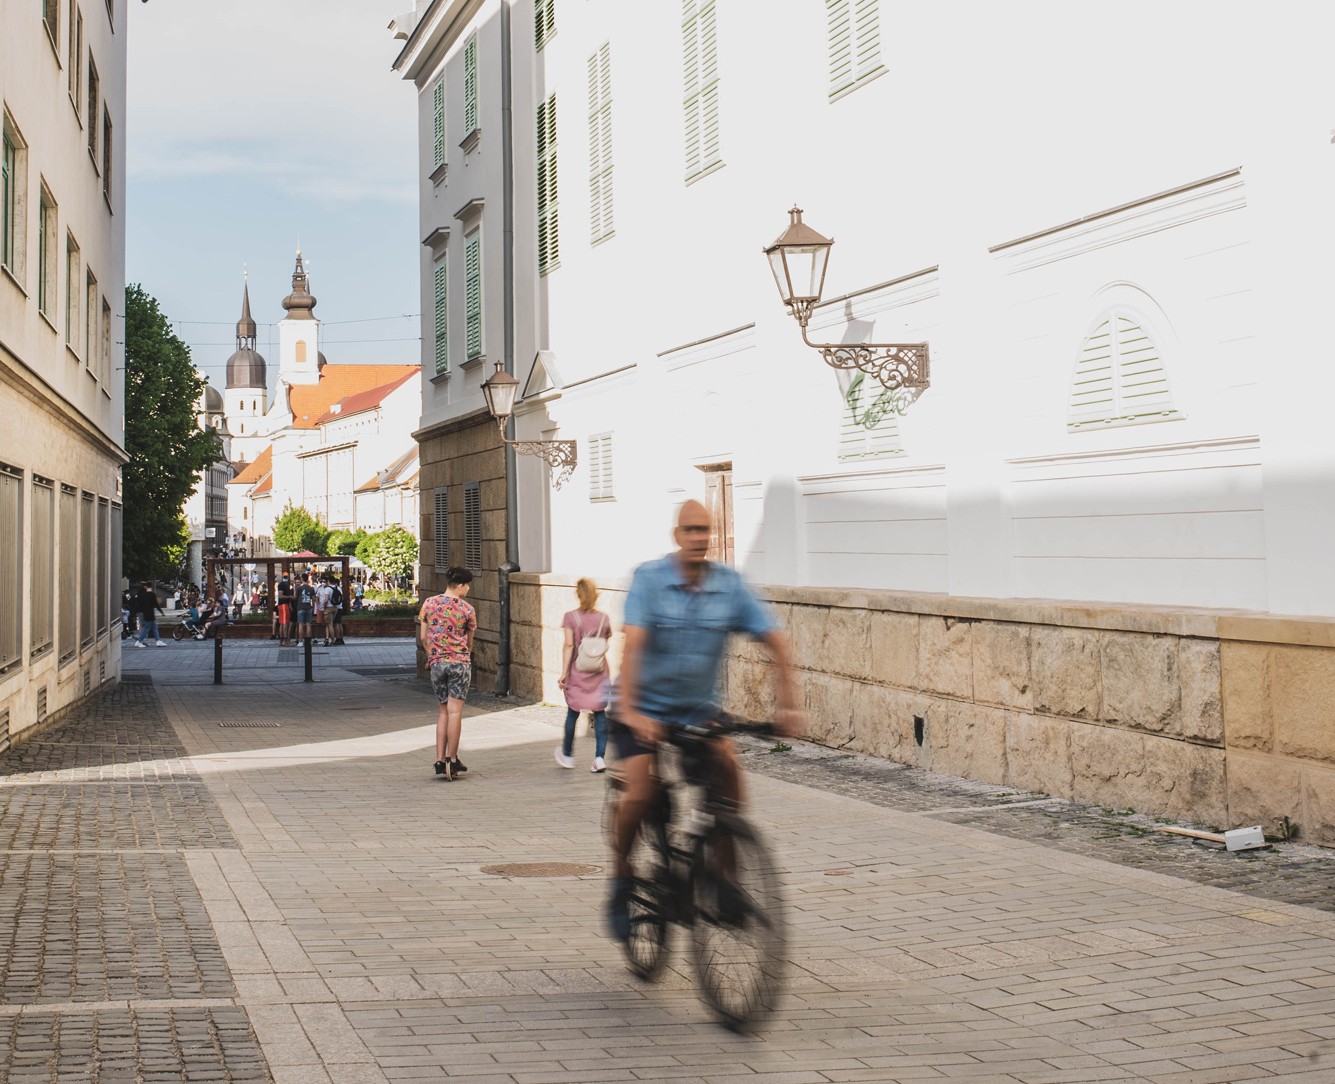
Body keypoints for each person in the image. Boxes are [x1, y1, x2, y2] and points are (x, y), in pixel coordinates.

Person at [605, 500, 804, 943]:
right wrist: (635, 712)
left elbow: (776, 642)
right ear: (677, 535)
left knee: (728, 768)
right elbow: (633, 645)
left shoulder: (730, 586)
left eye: (704, 530)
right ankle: (621, 875)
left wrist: (787, 705)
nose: (698, 537)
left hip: (695, 708)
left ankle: (726, 879)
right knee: (639, 792)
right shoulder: (650, 579)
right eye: (689, 530)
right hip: (639, 703)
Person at [419, 567, 477, 782]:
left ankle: (438, 759)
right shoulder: (467, 609)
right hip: (459, 663)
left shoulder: (429, 604)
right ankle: (452, 759)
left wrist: (431, 656)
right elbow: (469, 640)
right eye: (468, 585)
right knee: (455, 713)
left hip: (437, 664)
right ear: (460, 585)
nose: (468, 589)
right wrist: (465, 654)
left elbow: (424, 637)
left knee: (443, 711)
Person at [555, 578, 613, 773]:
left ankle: (568, 755)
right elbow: (604, 641)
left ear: (578, 595)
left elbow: (569, 645)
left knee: (573, 712)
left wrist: (564, 672)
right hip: (599, 672)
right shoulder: (604, 618)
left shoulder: (570, 617)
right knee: (600, 713)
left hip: (578, 672)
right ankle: (599, 758)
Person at [130, 582, 166, 647]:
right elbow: (156, 604)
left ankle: (157, 640)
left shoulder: (143, 595)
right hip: (150, 614)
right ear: (151, 587)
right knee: (147, 628)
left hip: (146, 613)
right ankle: (139, 641)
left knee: (154, 627)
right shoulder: (152, 595)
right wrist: (161, 612)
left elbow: (140, 604)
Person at [295, 574, 317, 642]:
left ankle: (301, 641)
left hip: (300, 607)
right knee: (308, 625)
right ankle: (308, 641)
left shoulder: (299, 588)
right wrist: (312, 607)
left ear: (302, 579)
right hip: (308, 607)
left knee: (301, 625)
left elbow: (295, 597)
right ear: (307, 579)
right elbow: (313, 599)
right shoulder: (311, 588)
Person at [276, 578, 296, 646]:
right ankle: (285, 640)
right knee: (285, 623)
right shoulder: (282, 585)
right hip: (283, 605)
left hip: (284, 605)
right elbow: (280, 596)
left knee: (282, 623)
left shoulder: (285, 585)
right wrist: (289, 597)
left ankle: (281, 640)